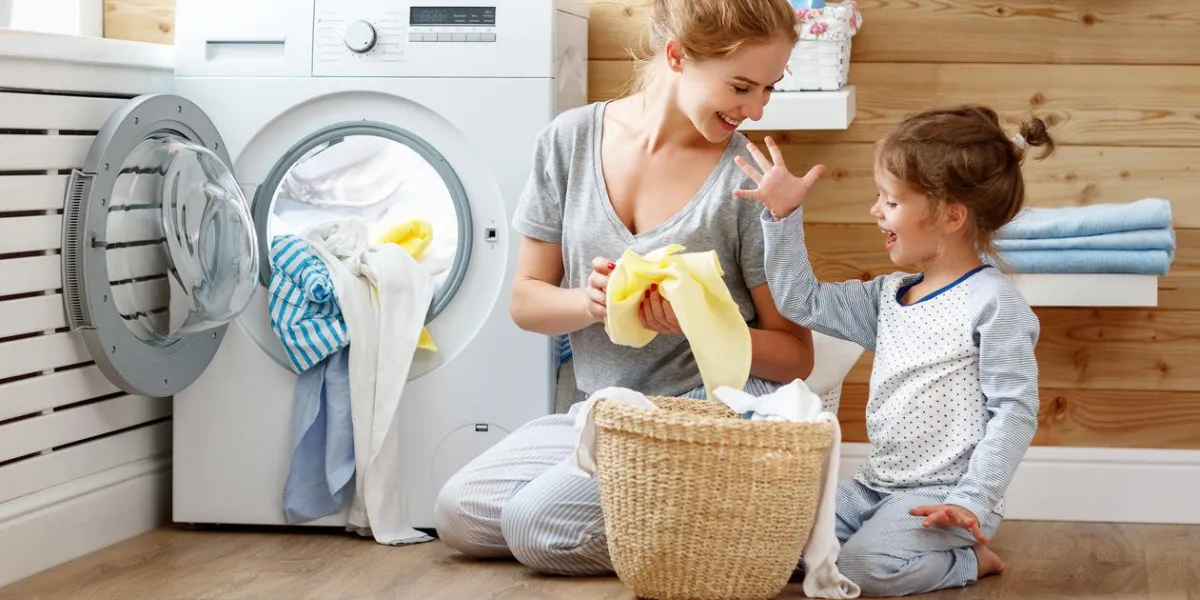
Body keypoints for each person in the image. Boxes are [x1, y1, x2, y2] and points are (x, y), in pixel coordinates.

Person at [433, 0, 816, 576]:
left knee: (535, 527)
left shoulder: (746, 180)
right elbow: (527, 301)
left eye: (769, 90)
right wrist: (588, 303)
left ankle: (749, 539)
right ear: (677, 55)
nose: (756, 109)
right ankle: (728, 524)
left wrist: (701, 322)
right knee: (459, 513)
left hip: (705, 416)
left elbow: (795, 355)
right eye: (742, 86)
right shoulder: (570, 142)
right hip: (605, 413)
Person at [734, 105, 1052, 596]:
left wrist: (973, 499)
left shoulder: (993, 304)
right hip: (873, 487)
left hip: (942, 496)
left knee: (864, 569)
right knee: (768, 541)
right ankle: (880, 538)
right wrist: (783, 215)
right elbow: (801, 300)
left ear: (950, 216)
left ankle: (970, 560)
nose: (875, 210)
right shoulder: (887, 298)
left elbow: (1015, 412)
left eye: (891, 201)